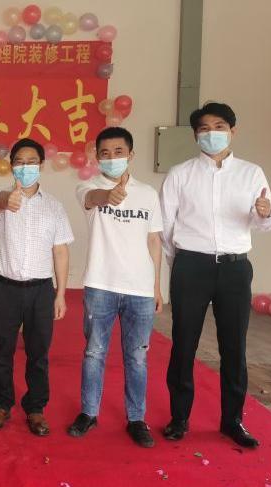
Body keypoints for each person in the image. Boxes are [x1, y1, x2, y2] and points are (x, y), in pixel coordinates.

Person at [160, 102, 271, 448]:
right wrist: (179, 264)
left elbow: (264, 223)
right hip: (191, 266)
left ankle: (233, 421)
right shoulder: (180, 174)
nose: (212, 134)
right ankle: (179, 418)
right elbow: (165, 227)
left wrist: (264, 214)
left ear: (233, 131)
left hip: (235, 268)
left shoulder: (251, 173)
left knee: (234, 346)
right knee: (184, 343)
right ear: (195, 135)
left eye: (220, 127)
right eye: (205, 128)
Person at [67, 127, 163, 447]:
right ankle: (89, 412)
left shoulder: (148, 193)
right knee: (94, 352)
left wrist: (157, 287)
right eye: (105, 153)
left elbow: (154, 241)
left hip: (140, 288)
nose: (111, 158)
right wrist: (107, 196)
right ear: (96, 157)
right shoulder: (88, 187)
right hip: (101, 284)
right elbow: (92, 199)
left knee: (137, 357)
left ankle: (136, 418)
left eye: (118, 152)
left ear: (131, 155)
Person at [0, 138, 73, 436]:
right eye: (19, 162)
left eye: (31, 162)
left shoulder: (54, 207)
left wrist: (61, 293)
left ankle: (35, 408)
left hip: (41, 290)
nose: (25, 167)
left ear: (41, 165)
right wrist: (6, 199)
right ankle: (2, 404)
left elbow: (60, 251)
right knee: (2, 350)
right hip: (4, 289)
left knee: (39, 352)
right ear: (11, 166)